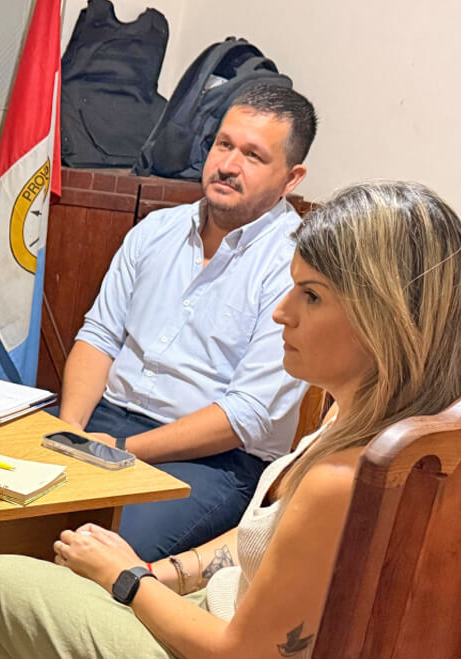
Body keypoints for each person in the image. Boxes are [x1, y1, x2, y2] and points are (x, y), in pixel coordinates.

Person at [0, 180, 461, 659]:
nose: (282, 311)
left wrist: (125, 581)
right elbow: (266, 547)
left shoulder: (343, 478)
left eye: (311, 295)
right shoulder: (387, 430)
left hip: (212, 657)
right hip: (210, 609)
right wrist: (159, 572)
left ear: (384, 320)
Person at [57, 83, 317, 560]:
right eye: (224, 145)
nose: (228, 166)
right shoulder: (156, 230)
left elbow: (247, 415)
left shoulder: (297, 266)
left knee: (92, 551)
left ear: (291, 178)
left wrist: (122, 448)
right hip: (101, 422)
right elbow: (99, 336)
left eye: (254, 156)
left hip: (213, 460)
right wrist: (71, 428)